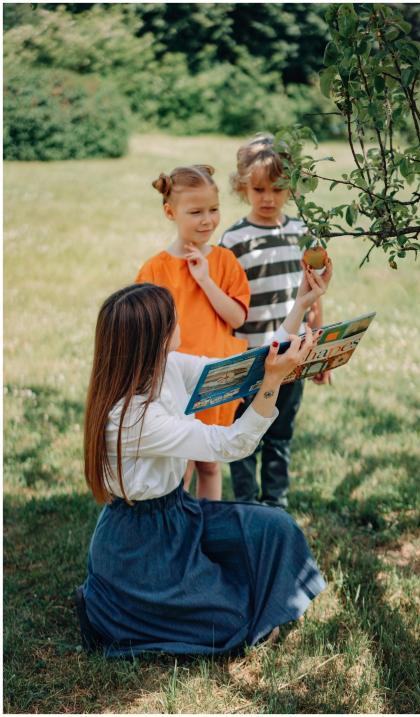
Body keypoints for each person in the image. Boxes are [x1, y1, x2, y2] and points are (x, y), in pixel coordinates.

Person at [76, 262, 332, 658]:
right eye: (172, 319)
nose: (180, 319)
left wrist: (300, 306)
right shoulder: (131, 419)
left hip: (180, 513)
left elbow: (243, 371)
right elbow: (231, 445)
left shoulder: (167, 366)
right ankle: (117, 610)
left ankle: (217, 589)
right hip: (139, 544)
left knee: (274, 527)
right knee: (228, 624)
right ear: (153, 340)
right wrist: (273, 383)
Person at [219, 133, 331, 509]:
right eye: (259, 189)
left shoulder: (303, 235)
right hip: (249, 355)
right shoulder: (234, 240)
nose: (268, 198)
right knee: (243, 432)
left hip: (292, 353)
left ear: (292, 187)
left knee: (280, 433)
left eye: (278, 188)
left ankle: (276, 505)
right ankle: (248, 505)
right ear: (242, 187)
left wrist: (318, 350)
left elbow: (314, 295)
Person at [135, 165, 250, 501]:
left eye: (214, 210)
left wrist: (205, 280)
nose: (207, 220)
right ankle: (179, 527)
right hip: (174, 382)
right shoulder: (155, 269)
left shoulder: (226, 262)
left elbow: (237, 316)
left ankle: (208, 527)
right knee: (180, 464)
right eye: (196, 212)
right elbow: (145, 330)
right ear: (171, 212)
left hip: (217, 375)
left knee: (210, 463)